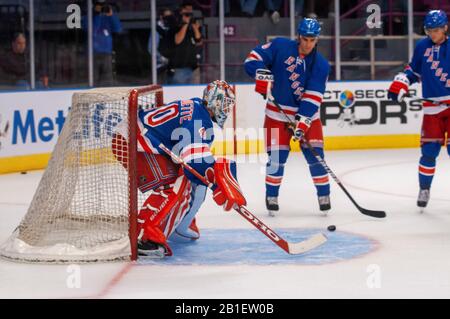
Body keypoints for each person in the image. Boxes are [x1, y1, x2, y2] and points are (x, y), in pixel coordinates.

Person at [112, 80, 246, 258]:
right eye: (225, 104)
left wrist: (214, 178)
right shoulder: (199, 118)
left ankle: (179, 221)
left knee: (184, 180)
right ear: (215, 100)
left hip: (137, 139)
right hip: (132, 141)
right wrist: (216, 181)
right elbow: (194, 163)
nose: (227, 110)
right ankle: (144, 236)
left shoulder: (197, 109)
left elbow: (193, 160)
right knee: (175, 185)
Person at [244, 18, 331, 216]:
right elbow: (252, 58)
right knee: (276, 159)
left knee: (316, 157)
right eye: (305, 39)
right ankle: (272, 196)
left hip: (308, 117)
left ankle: (324, 195)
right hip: (277, 114)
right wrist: (262, 75)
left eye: (312, 40)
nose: (308, 44)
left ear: (317, 39)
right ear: (299, 36)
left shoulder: (321, 65)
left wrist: (302, 121)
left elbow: (313, 95)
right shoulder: (280, 46)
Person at [388, 10, 450, 210]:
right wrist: (402, 82)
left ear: (445, 28)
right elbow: (413, 71)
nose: (433, 34)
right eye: (430, 30)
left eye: (437, 30)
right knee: (429, 152)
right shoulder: (422, 46)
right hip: (431, 109)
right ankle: (425, 188)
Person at [83, 0, 122, 86]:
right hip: (93, 53)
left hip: (106, 52)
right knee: (93, 79)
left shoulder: (108, 17)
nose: (101, 7)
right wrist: (96, 15)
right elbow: (92, 30)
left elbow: (118, 29)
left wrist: (111, 15)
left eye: (102, 5)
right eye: (98, 5)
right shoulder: (89, 17)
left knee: (107, 79)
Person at [167, 1, 203, 84]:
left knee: (194, 95)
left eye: (190, 10)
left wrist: (195, 28)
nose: (189, 13)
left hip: (193, 67)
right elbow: (177, 41)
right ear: (181, 11)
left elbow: (199, 41)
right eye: (186, 10)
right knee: (178, 95)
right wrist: (185, 24)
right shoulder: (174, 24)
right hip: (179, 68)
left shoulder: (193, 23)